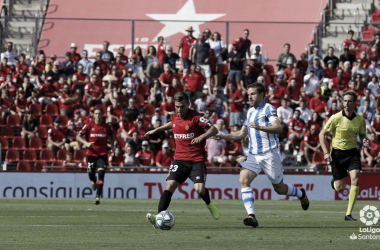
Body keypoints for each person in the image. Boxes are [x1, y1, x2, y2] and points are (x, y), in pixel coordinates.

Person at [215, 82, 309, 227]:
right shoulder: (250, 112)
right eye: (248, 94)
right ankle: (251, 216)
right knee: (243, 179)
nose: (249, 97)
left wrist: (259, 127)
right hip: (253, 155)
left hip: (269, 154)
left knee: (280, 189)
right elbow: (241, 133)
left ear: (261, 95)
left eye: (252, 94)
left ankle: (300, 193)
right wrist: (222, 136)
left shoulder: (268, 109)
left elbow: (278, 128)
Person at [145, 91, 220, 228]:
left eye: (182, 107)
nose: (179, 110)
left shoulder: (196, 117)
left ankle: (209, 204)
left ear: (189, 105)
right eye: (177, 106)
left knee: (199, 189)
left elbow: (214, 130)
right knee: (170, 185)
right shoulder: (174, 117)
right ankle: (159, 216)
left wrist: (202, 137)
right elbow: (172, 124)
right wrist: (155, 130)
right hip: (179, 160)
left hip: (196, 160)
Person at [319, 90, 368, 221]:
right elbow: (322, 134)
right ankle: (334, 183)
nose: (346, 103)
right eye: (345, 101)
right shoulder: (335, 117)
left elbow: (362, 134)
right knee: (340, 189)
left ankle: (348, 214)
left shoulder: (360, 120)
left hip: (352, 153)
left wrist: (364, 140)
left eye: (349, 101)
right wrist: (325, 152)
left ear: (354, 103)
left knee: (355, 177)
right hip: (337, 154)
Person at [76, 107, 115, 205]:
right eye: (96, 113)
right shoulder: (89, 125)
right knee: (91, 174)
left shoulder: (107, 126)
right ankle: (93, 181)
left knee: (101, 174)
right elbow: (78, 136)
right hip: (91, 154)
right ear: (93, 115)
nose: (98, 115)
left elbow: (111, 136)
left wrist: (113, 148)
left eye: (99, 113)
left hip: (102, 154)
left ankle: (97, 197)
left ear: (102, 115)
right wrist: (86, 143)